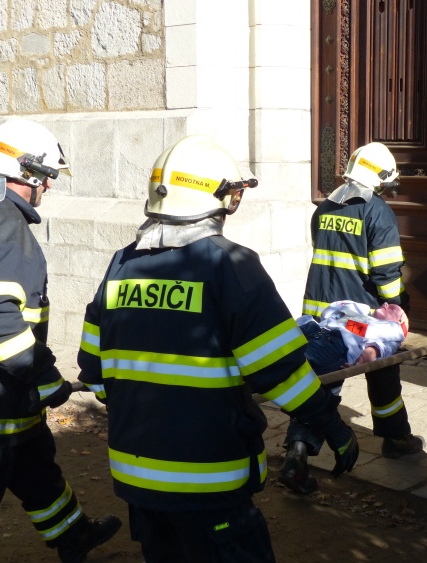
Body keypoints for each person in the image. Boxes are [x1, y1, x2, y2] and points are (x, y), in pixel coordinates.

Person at [76, 135, 359, 562]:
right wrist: (332, 426)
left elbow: (93, 371)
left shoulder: (120, 265)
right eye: (234, 196)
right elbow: (280, 373)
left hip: (136, 478)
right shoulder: (231, 265)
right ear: (221, 199)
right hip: (209, 481)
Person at [0, 119, 121, 563]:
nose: (49, 187)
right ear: (28, 173)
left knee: (35, 467)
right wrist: (47, 379)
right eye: (47, 177)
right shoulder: (5, 225)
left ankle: (73, 535)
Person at [294, 142, 422, 483]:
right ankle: (396, 438)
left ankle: (298, 451)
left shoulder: (324, 208)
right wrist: (397, 309)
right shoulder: (377, 212)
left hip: (319, 311)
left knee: (318, 384)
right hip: (359, 319)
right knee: (383, 372)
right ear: (379, 178)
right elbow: (386, 273)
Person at [280, 300, 409, 493]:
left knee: (306, 389)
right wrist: (349, 315)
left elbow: (374, 350)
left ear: (399, 323)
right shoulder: (361, 317)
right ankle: (295, 463)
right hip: (310, 333)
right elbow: (332, 311)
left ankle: (296, 461)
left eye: (393, 308)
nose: (385, 303)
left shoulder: (390, 332)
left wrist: (360, 361)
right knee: (312, 399)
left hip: (328, 347)